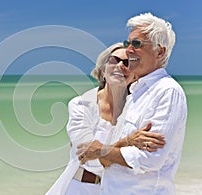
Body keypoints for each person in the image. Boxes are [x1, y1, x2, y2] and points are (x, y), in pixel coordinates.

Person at [77, 12, 187, 194]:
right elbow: (104, 160)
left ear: (160, 52)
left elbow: (150, 159)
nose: (128, 49)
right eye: (128, 43)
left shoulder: (167, 91)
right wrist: (126, 142)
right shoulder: (135, 93)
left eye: (137, 44)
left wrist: (100, 150)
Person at [46, 42, 166, 195]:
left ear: (135, 74)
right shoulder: (81, 105)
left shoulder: (137, 108)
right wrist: (127, 142)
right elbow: (90, 160)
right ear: (103, 69)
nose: (121, 65)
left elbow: (144, 156)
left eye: (128, 62)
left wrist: (103, 151)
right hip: (79, 187)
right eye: (115, 60)